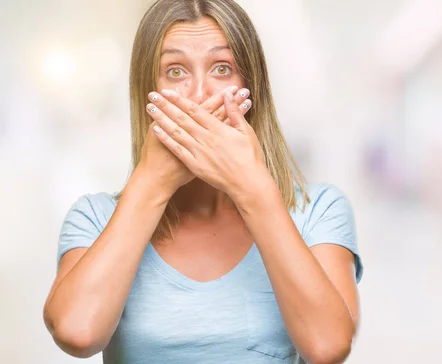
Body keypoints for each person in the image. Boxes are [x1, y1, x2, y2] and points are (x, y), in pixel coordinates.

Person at [42, 1, 363, 363]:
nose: (199, 94)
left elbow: (329, 346)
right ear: (147, 90)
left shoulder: (317, 212)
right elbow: (77, 333)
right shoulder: (95, 218)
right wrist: (152, 182)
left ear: (250, 87)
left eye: (222, 68)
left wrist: (252, 189)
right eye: (176, 71)